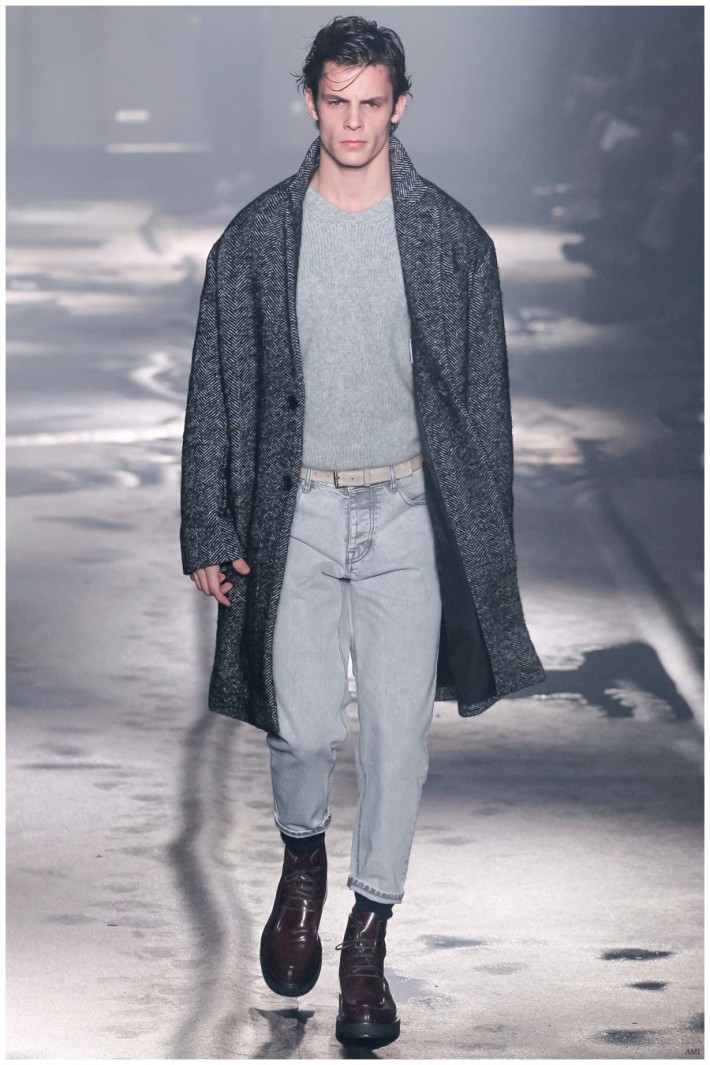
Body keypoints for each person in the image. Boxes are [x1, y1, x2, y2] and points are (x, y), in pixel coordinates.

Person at [180, 15, 545, 1049]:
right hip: (292, 515)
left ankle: (368, 938)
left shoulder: (451, 241)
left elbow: (483, 408)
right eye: (336, 102)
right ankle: (304, 858)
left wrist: (484, 543)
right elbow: (215, 385)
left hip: (406, 514)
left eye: (370, 103)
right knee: (300, 727)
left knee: (397, 740)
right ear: (310, 102)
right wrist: (208, 523)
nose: (352, 122)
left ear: (399, 106)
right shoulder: (257, 238)